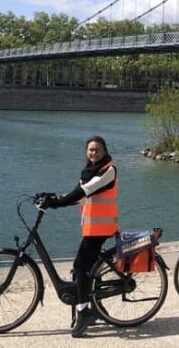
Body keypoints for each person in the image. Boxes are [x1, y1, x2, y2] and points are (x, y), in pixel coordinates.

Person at [40, 136, 118, 338]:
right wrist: (54, 198)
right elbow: (80, 196)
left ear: (104, 151)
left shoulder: (108, 171)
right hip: (92, 226)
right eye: (91, 150)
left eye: (98, 150)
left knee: (80, 266)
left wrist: (58, 203)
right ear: (86, 151)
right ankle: (94, 306)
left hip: (101, 227)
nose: (94, 153)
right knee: (88, 268)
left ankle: (84, 313)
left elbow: (86, 190)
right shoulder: (89, 172)